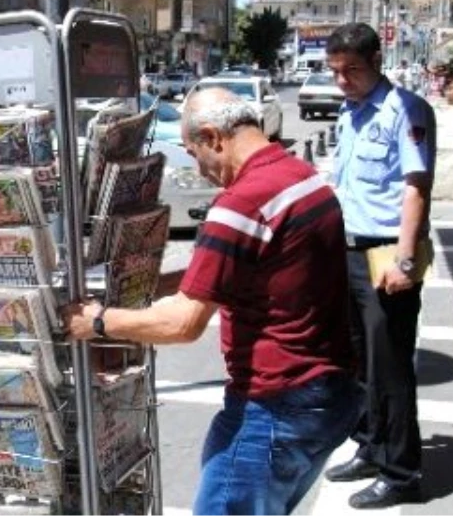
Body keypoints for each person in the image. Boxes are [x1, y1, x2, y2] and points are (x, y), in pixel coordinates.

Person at [65, 87, 357, 515]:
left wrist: (97, 322)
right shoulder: (302, 177)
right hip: (328, 395)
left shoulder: (240, 203)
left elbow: (183, 325)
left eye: (193, 153)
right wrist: (157, 284)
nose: (200, 172)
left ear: (213, 137)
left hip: (275, 405)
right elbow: (251, 266)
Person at [323, 23, 436, 509]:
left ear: (376, 62)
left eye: (351, 70)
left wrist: (405, 260)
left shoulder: (406, 111)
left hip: (386, 253)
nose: (342, 80)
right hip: (347, 250)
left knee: (390, 368)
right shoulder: (350, 114)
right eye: (335, 71)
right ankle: (371, 447)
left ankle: (401, 472)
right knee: (360, 361)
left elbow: (416, 187)